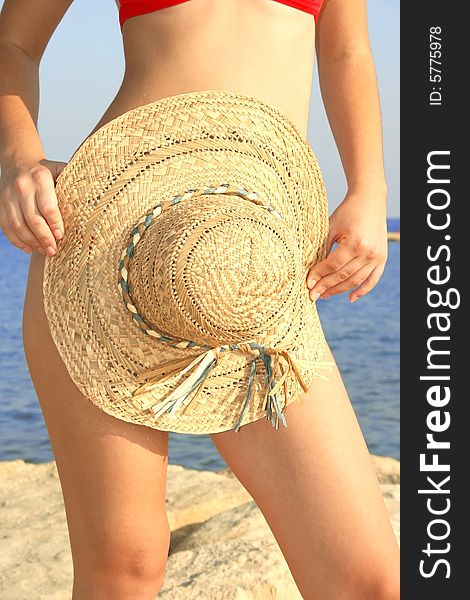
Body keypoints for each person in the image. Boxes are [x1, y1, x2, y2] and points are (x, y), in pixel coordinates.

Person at [0, 1, 399, 598]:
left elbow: (346, 49)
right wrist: (17, 160)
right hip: (108, 241)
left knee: (368, 580)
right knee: (124, 568)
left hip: (252, 260)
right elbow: (12, 44)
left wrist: (369, 187)